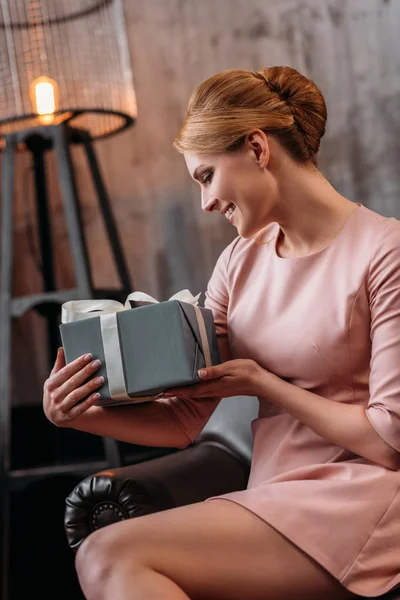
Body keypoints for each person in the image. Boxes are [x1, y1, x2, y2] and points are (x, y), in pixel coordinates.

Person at [43, 65, 400, 600]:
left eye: (206, 176)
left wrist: (264, 384)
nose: (206, 203)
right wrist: (77, 415)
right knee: (108, 552)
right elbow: (187, 418)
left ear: (258, 149)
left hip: (365, 497)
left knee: (109, 553)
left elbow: (388, 440)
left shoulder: (386, 252)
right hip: (275, 495)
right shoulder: (238, 261)